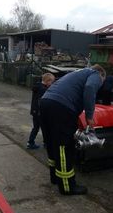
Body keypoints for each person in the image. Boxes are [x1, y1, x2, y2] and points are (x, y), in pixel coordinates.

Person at [40, 64, 106, 195]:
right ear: (101, 75)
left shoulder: (77, 73)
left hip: (45, 102)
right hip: (61, 107)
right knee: (64, 146)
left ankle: (55, 178)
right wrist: (89, 115)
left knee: (52, 143)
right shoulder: (95, 74)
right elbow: (90, 87)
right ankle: (67, 186)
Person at [27, 73, 55, 149]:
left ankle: (30, 142)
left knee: (36, 127)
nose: (52, 84)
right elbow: (42, 102)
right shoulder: (43, 90)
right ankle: (45, 143)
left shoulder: (38, 86)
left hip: (35, 111)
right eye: (51, 82)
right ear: (47, 81)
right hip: (39, 112)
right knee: (44, 128)